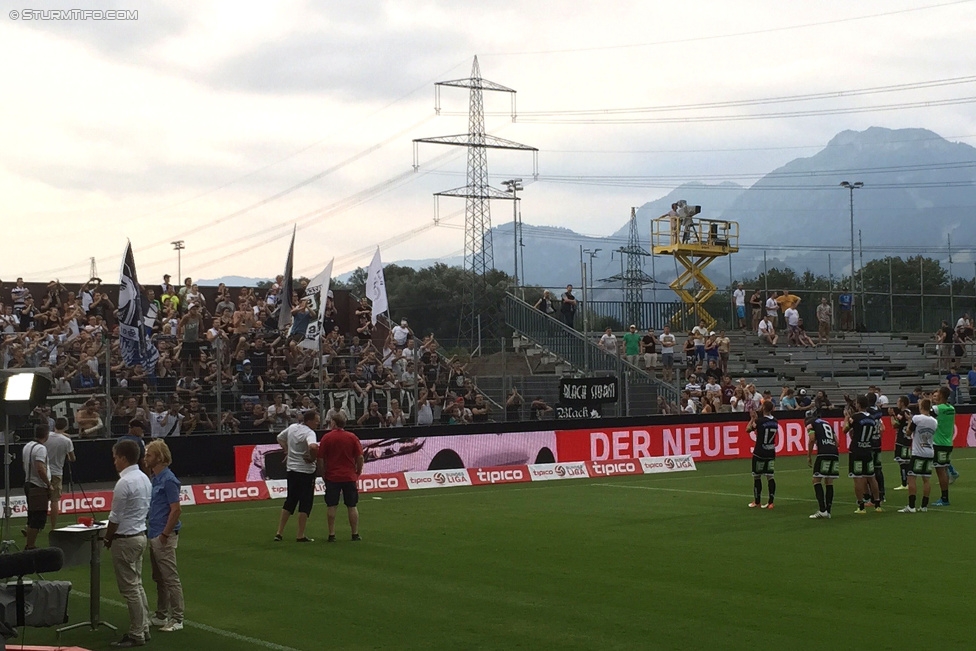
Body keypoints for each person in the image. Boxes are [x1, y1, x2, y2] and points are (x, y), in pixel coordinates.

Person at [104, 438, 152, 648]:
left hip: (125, 539)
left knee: (130, 588)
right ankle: (144, 627)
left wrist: (107, 537)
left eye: (115, 458)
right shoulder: (144, 478)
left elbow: (115, 517)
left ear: (123, 458)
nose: (114, 462)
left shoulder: (124, 482)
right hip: (140, 534)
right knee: (137, 584)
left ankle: (136, 633)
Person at [145, 440, 184, 632]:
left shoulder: (168, 480)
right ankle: (161, 614)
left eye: (149, 455)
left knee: (170, 577)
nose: (146, 458)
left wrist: (164, 534)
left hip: (162, 534)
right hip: (154, 532)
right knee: (159, 577)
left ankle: (177, 617)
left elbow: (175, 510)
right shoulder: (156, 478)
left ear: (159, 457)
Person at [316, 412, 364, 542]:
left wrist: (323, 473)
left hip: (333, 476)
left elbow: (320, 458)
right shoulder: (352, 437)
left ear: (334, 423)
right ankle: (355, 533)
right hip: (349, 476)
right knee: (352, 505)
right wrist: (358, 472)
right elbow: (360, 456)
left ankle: (332, 534)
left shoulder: (327, 438)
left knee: (331, 505)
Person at [273, 410, 320, 542]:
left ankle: (279, 532)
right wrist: (312, 458)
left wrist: (287, 450)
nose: (318, 423)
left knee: (290, 501)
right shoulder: (310, 433)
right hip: (306, 471)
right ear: (309, 421)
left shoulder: (293, 427)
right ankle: (300, 534)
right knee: (305, 503)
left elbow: (279, 438)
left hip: (292, 470)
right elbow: (313, 447)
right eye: (316, 420)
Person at [845, 394, 882, 514]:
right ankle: (877, 503)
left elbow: (845, 430)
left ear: (859, 404)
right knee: (871, 477)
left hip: (856, 450)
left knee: (858, 478)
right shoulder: (872, 418)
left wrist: (846, 418)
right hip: (868, 449)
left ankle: (861, 506)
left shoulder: (855, 417)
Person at [899, 399, 937, 513]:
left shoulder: (917, 418)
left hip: (918, 452)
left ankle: (911, 506)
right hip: (929, 451)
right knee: (926, 479)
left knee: (912, 478)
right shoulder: (934, 421)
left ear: (921, 407)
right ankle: (924, 506)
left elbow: (908, 432)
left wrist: (910, 420)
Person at [22, 424, 52, 550]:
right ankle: (31, 545)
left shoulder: (28, 446)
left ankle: (29, 542)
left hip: (29, 482)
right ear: (46, 434)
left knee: (32, 515)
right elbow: (40, 468)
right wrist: (48, 484)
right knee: (38, 517)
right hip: (38, 486)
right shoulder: (40, 449)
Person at [806, 409, 839, 519]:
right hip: (834, 452)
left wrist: (809, 455)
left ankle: (822, 510)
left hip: (823, 453)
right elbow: (837, 442)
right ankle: (828, 511)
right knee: (829, 481)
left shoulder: (810, 424)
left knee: (816, 480)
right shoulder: (827, 423)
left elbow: (811, 439)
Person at [44, 416, 75, 529]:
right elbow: (72, 458)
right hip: (57, 472)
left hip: (44, 471)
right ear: (66, 426)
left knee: (41, 500)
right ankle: (53, 526)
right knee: (54, 501)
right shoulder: (66, 441)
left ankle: (33, 525)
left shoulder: (47, 436)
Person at [747, 400, 777, 509]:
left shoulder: (760, 421)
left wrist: (752, 419)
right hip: (771, 451)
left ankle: (757, 501)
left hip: (760, 451)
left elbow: (748, 429)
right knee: (770, 476)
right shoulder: (775, 421)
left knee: (757, 476)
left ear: (764, 408)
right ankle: (771, 502)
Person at [930, 387, 956, 507]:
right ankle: (945, 496)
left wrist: (926, 401)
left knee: (940, 471)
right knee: (944, 469)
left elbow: (926, 414)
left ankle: (944, 498)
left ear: (941, 395)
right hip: (948, 443)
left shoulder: (936, 408)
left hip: (938, 443)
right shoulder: (951, 408)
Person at [891, 396, 913, 492]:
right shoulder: (909, 412)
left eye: (898, 401)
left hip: (901, 440)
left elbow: (895, 425)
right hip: (908, 440)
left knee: (902, 462)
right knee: (906, 462)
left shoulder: (902, 412)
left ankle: (904, 483)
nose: (897, 403)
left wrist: (891, 415)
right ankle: (908, 482)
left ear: (902, 403)